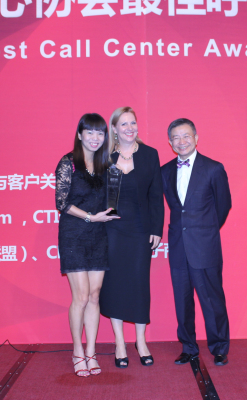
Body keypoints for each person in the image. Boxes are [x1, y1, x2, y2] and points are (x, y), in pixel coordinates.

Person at [161, 118, 232, 367]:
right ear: (170, 142)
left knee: (212, 300)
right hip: (178, 246)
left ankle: (219, 348)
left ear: (196, 138)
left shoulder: (213, 168)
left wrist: (205, 230)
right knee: (182, 301)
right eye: (176, 138)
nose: (181, 141)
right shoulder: (165, 171)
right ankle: (188, 347)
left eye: (186, 136)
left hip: (204, 246)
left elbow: (223, 206)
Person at [99, 107, 164, 368]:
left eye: (133, 123)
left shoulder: (150, 155)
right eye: (123, 124)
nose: (129, 128)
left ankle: (141, 340)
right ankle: (119, 342)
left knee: (139, 284)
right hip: (111, 229)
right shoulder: (104, 156)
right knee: (114, 284)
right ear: (114, 129)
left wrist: (156, 228)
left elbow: (156, 196)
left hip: (140, 230)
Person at [55, 113, 119, 377]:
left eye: (100, 133)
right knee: (80, 296)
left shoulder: (106, 166)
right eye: (90, 132)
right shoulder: (68, 163)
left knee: (94, 295)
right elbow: (61, 203)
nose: (95, 138)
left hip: (99, 235)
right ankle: (77, 351)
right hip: (74, 235)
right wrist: (91, 217)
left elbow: (113, 199)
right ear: (80, 135)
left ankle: (91, 352)